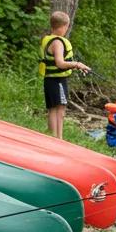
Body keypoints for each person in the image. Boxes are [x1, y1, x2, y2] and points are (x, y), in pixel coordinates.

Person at [38, 10, 90, 139]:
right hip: (58, 81)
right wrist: (77, 64)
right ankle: (58, 139)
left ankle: (52, 137)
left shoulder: (48, 39)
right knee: (60, 110)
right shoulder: (58, 42)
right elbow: (60, 63)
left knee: (52, 109)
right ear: (63, 27)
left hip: (49, 79)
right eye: (67, 27)